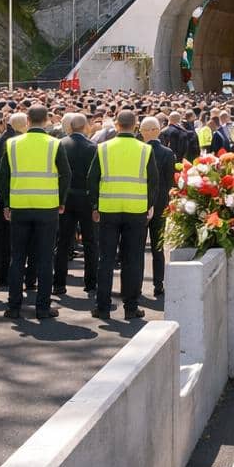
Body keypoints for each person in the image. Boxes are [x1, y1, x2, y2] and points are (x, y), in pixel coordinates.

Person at [0, 105, 69, 320]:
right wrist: (61, 200)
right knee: (45, 258)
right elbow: (66, 174)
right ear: (47, 120)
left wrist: (7, 203)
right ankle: (43, 307)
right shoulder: (54, 144)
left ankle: (13, 306)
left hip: (20, 205)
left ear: (27, 120)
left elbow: (3, 176)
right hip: (47, 206)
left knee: (17, 257)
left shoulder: (11, 144)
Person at [88, 110, 157, 321]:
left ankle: (103, 306)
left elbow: (92, 179)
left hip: (108, 208)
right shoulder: (145, 149)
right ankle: (131, 306)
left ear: (116, 125)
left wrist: (95, 205)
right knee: (132, 259)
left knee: (106, 259)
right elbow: (153, 182)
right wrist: (150, 205)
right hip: (136, 209)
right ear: (136, 126)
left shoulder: (103, 148)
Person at [53, 112, 98, 297]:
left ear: (70, 127)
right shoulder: (93, 147)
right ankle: (90, 282)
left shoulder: (59, 145)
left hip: (65, 198)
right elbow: (96, 176)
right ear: (85, 127)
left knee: (63, 242)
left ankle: (59, 283)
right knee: (90, 242)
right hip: (86, 199)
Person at [0, 111, 26, 288]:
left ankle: (2, 275)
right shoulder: (14, 143)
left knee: (3, 240)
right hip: (14, 195)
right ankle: (8, 276)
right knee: (13, 241)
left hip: (4, 195)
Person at [144, 114, 177, 299]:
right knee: (158, 247)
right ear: (158, 131)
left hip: (141, 203)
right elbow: (170, 180)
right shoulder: (167, 153)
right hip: (160, 203)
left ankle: (135, 286)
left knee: (136, 247)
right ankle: (158, 284)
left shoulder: (139, 151)